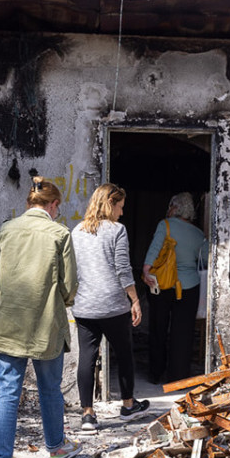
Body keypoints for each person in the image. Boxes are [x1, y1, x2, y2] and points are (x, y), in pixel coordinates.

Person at [0, 176, 81, 458]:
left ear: (28, 204)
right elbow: (69, 286)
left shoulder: (7, 229)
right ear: (53, 205)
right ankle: (56, 448)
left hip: (9, 322)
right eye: (58, 207)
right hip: (46, 324)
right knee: (50, 388)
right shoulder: (59, 233)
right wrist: (59, 299)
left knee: (7, 392)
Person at [71, 183, 150, 432]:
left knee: (87, 357)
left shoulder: (77, 231)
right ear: (110, 204)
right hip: (113, 305)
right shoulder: (117, 230)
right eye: (120, 206)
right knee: (125, 354)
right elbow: (123, 269)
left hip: (85, 305)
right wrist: (135, 300)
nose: (122, 212)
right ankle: (128, 405)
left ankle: (87, 415)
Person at [142, 192, 207, 384]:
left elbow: (155, 249)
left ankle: (156, 374)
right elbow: (202, 260)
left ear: (176, 208)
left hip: (163, 284)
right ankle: (178, 377)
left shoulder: (166, 225)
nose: (168, 209)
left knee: (158, 328)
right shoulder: (199, 233)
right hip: (189, 287)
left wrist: (146, 270)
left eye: (170, 205)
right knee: (183, 332)